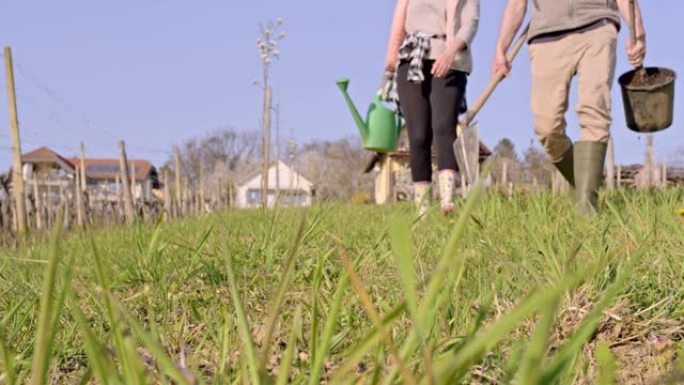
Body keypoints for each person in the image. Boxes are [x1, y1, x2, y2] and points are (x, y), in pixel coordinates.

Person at [492, 0, 646, 215]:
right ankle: (585, 183)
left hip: (597, 24)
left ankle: (587, 209)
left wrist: (638, 32)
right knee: (547, 127)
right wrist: (501, 48)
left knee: (594, 111)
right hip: (547, 34)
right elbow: (517, 4)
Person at [384, 0, 480, 217]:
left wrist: (450, 52)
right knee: (417, 135)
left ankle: (448, 200)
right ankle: (422, 210)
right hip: (412, 58)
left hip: (449, 59)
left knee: (444, 126)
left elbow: (470, 23)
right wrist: (390, 64)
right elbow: (398, 25)